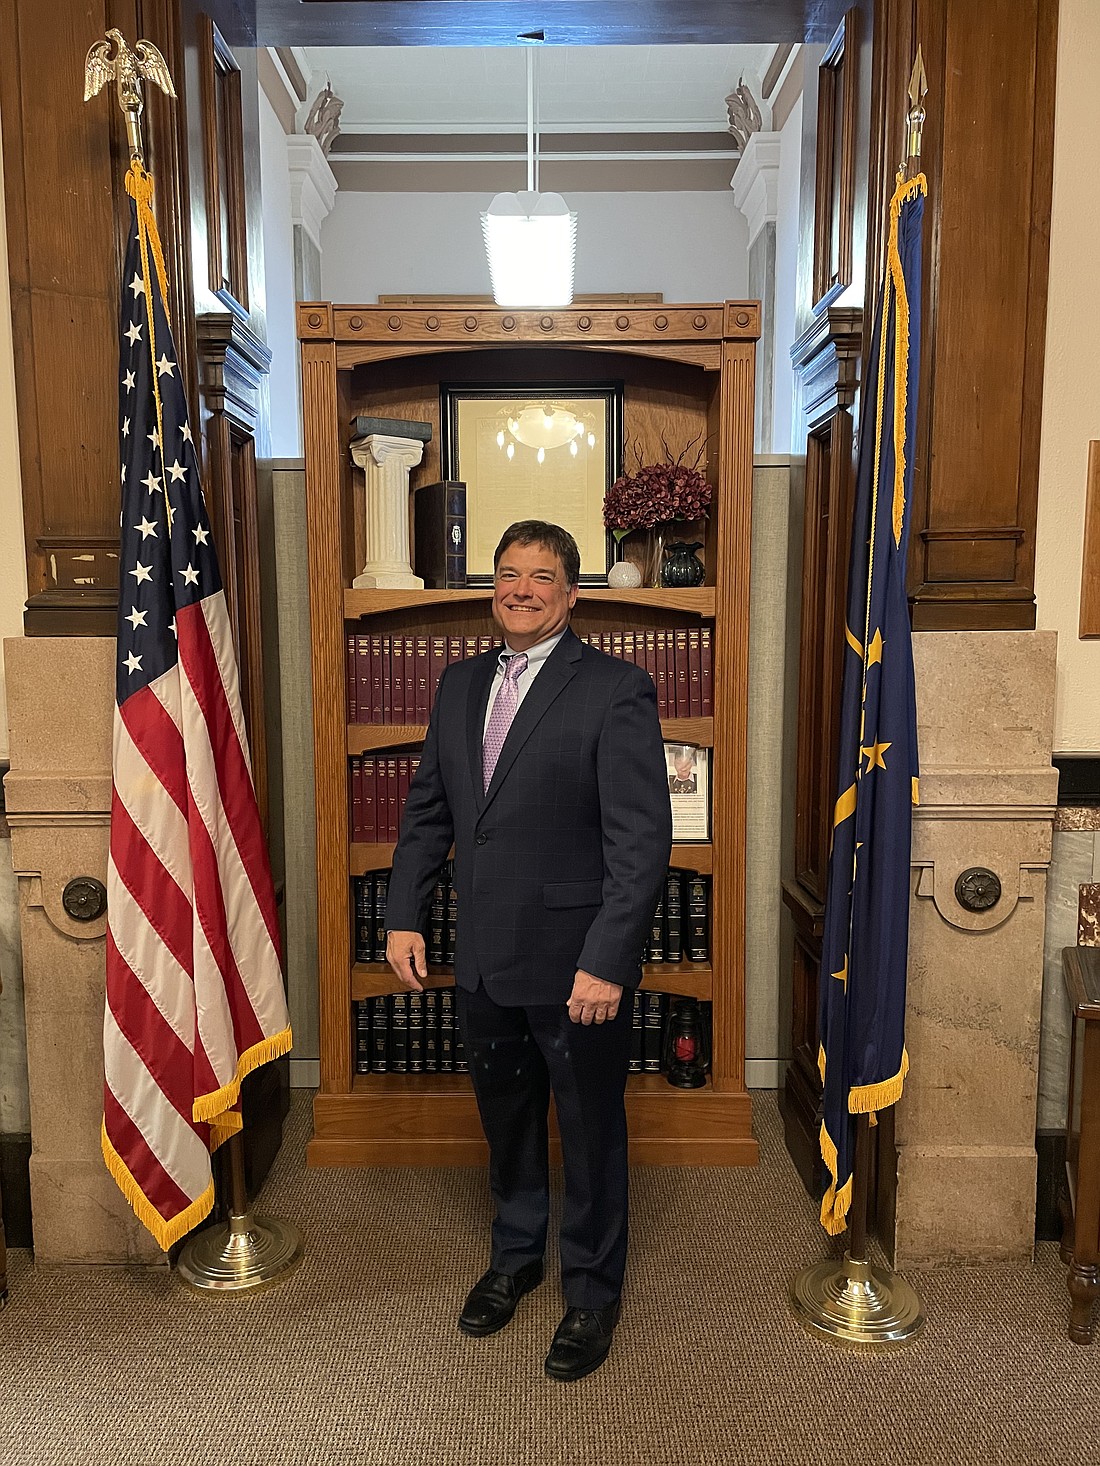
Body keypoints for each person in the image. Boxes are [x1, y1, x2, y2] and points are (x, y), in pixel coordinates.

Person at [385, 520, 672, 1382]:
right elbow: (429, 813)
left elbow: (641, 843)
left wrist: (609, 961)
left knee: (587, 1131)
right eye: (507, 575)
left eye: (540, 577)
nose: (520, 589)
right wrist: (406, 914)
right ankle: (515, 1259)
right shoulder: (459, 682)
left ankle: (591, 1290)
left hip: (577, 962)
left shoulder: (617, 689)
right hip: (481, 957)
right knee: (507, 1123)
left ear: (572, 593)